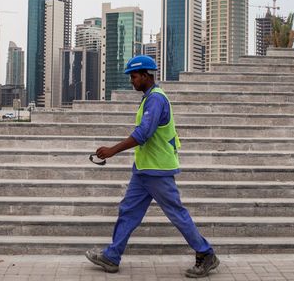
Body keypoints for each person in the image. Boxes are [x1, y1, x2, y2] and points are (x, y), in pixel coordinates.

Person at [85, 55, 219, 278]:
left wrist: (112, 150)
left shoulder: (156, 99)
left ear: (146, 76)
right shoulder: (149, 98)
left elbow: (143, 134)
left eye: (134, 76)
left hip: (158, 170)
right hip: (144, 169)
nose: (132, 81)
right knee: (128, 211)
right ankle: (112, 256)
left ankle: (206, 254)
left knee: (176, 213)